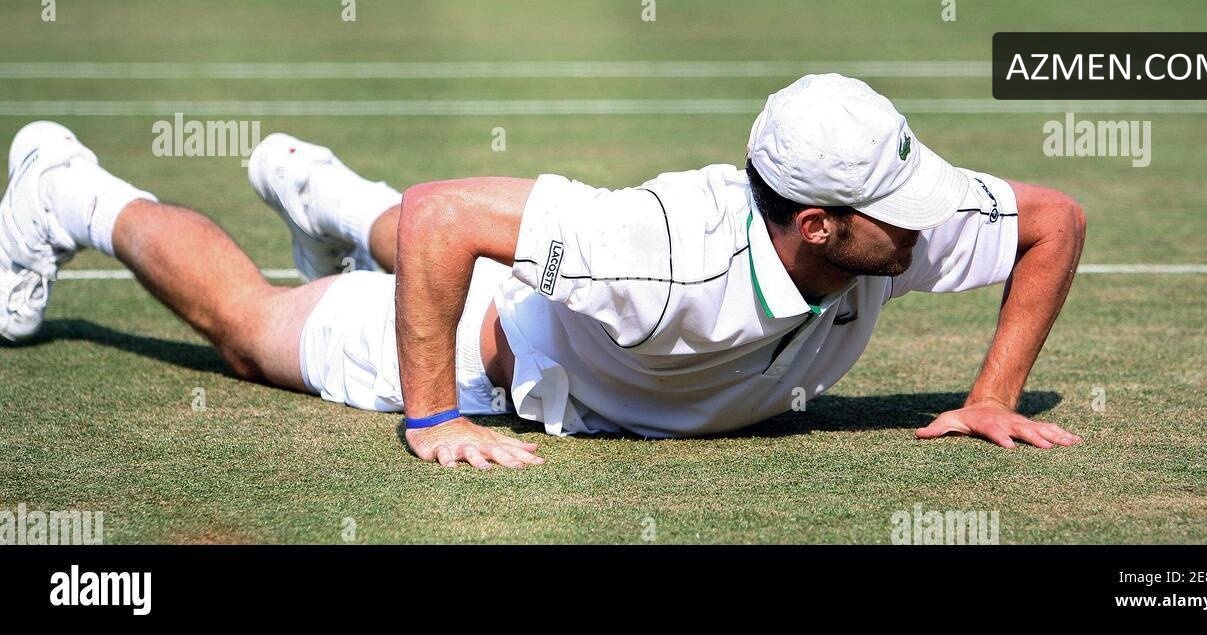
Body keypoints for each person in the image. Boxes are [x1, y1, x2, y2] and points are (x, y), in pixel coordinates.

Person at [0, 74, 1085, 469]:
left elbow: (1055, 221)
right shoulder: (663, 256)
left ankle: (326, 193)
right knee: (248, 328)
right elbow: (447, 216)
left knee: (437, 233)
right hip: (492, 352)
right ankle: (66, 188)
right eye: (899, 214)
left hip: (566, 309)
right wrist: (433, 418)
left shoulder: (897, 230)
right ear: (819, 226)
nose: (927, 226)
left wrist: (991, 395)